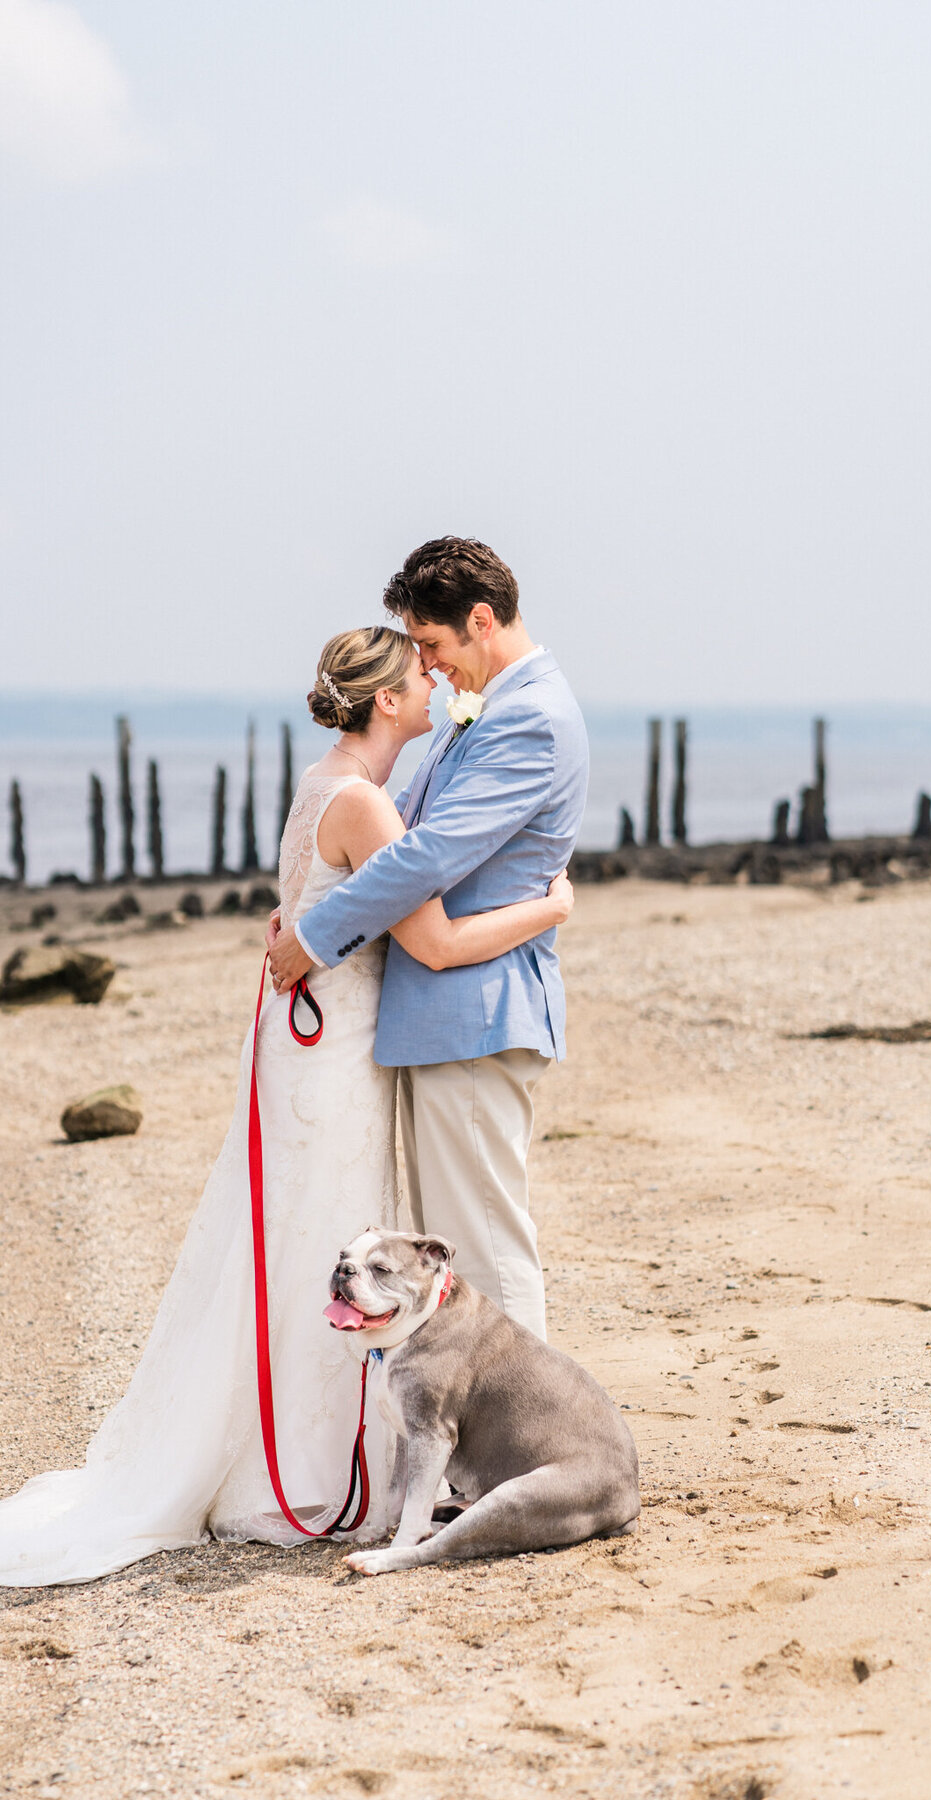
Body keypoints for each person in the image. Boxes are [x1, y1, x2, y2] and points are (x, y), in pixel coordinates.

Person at [0, 623, 573, 1591]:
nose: (434, 686)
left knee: (292, 1244)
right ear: (387, 701)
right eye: (419, 677)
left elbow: (316, 908)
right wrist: (552, 906)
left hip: (311, 1041)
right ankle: (315, 1474)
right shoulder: (366, 804)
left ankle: (284, 1453)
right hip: (338, 1057)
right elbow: (438, 943)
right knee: (320, 1246)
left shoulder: (322, 780)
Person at [269, 537, 589, 1342]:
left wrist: (316, 934)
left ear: (482, 620)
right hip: (442, 1016)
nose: (432, 668)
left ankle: (529, 1440)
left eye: (436, 647)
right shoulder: (483, 710)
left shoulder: (531, 721)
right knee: (455, 1244)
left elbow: (428, 854)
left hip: (474, 1015)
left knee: (484, 1243)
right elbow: (402, 829)